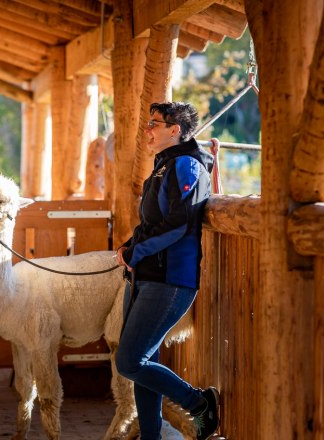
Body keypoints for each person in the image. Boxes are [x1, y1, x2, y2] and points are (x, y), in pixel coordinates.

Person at [114, 102, 219, 440]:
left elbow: (178, 225)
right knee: (143, 363)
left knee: (130, 362)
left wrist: (136, 251)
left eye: (154, 124)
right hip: (146, 274)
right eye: (148, 122)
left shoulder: (187, 166)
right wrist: (129, 246)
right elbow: (153, 223)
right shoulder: (165, 165)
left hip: (171, 278)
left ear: (175, 131)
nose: (148, 129)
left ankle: (198, 403)